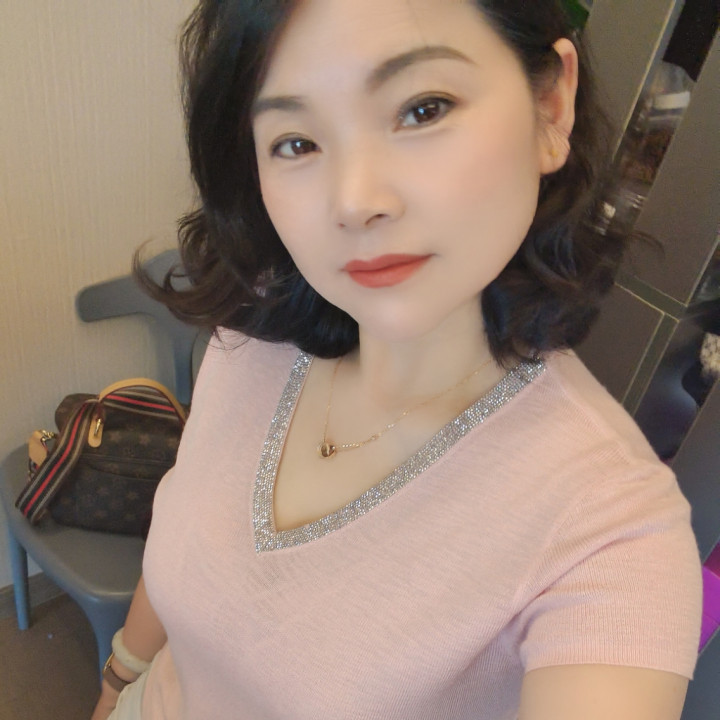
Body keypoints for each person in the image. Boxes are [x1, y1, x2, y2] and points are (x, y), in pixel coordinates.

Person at [91, 0, 703, 718]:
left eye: (422, 109)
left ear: (549, 105)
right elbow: (183, 538)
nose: (356, 201)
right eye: (296, 142)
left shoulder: (609, 533)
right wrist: (118, 679)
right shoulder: (250, 341)